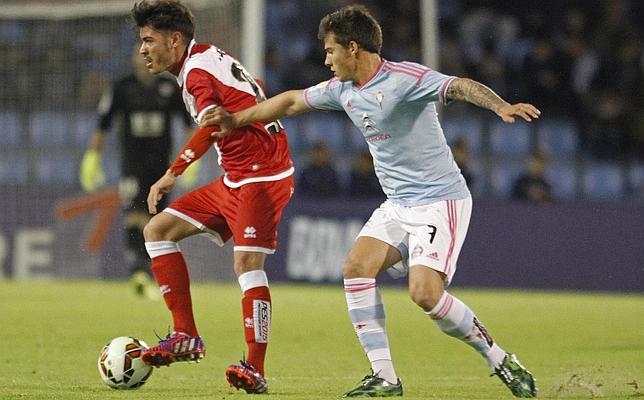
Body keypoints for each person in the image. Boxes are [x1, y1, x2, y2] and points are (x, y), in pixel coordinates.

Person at [202, 4, 540, 398]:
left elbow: (459, 85)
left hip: (439, 200)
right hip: (397, 203)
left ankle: (500, 360)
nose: (326, 60)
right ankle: (385, 378)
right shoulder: (343, 90)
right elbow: (292, 101)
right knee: (356, 268)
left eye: (330, 51)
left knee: (424, 294)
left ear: (353, 48)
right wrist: (237, 119)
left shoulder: (404, 79)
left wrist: (499, 105)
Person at [130, 0, 294, 394]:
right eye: (141, 41)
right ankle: (185, 333)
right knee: (157, 230)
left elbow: (214, 123)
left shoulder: (197, 73)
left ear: (174, 40)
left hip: (263, 176)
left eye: (149, 40)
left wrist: (172, 173)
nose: (142, 50)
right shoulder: (206, 57)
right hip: (236, 176)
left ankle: (255, 368)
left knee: (247, 264)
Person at [79, 43, 194, 299]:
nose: (143, 57)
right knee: (134, 215)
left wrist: (191, 159)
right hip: (132, 165)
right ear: (133, 58)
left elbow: (187, 124)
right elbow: (103, 125)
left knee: (156, 221)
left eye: (147, 52)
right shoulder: (121, 87)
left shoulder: (169, 88)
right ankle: (138, 271)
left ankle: (150, 272)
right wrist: (92, 156)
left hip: (162, 169)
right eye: (139, 53)